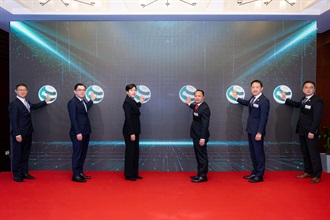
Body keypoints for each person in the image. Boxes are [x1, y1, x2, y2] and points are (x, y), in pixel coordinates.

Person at [281, 81, 323, 184]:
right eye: (306, 87)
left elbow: (317, 118)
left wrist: (312, 131)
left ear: (314, 89)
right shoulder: (304, 99)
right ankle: (308, 171)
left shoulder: (317, 101)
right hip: (302, 131)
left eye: (311, 87)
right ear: (303, 89)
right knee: (305, 153)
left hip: (310, 132)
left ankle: (317, 175)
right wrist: (286, 99)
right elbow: (297, 105)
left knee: (313, 154)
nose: (308, 89)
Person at [8, 83, 50, 182]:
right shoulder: (14, 104)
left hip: (28, 132)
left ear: (27, 91)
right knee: (17, 154)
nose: (22, 91)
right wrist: (17, 134)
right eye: (20, 90)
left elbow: (33, 106)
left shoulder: (26, 101)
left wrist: (45, 101)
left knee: (25, 154)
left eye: (24, 90)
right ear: (16, 91)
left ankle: (24, 172)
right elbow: (13, 120)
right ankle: (17, 175)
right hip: (19, 134)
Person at [232, 80, 270, 183]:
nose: (255, 89)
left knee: (259, 153)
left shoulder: (264, 101)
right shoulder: (253, 98)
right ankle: (255, 172)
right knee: (253, 153)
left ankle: (259, 175)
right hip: (250, 130)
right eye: (253, 87)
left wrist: (259, 132)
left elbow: (263, 118)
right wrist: (237, 98)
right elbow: (247, 103)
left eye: (257, 87)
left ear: (261, 88)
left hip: (257, 132)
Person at [67, 83, 95, 183]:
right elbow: (73, 119)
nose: (82, 91)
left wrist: (91, 100)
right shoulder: (72, 102)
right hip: (77, 133)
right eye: (79, 90)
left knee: (83, 154)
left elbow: (85, 109)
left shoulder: (82, 101)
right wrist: (78, 132)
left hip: (86, 131)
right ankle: (75, 175)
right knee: (77, 154)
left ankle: (80, 172)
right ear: (75, 91)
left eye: (83, 90)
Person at [185, 89, 211, 183]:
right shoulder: (197, 106)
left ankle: (203, 176)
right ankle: (200, 173)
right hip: (196, 135)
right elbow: (195, 108)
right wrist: (188, 103)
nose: (197, 97)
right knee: (198, 155)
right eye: (195, 96)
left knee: (202, 156)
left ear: (203, 97)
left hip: (201, 137)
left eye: (199, 96)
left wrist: (203, 138)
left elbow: (205, 125)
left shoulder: (205, 108)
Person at [122, 84, 144, 181]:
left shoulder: (132, 100)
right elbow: (128, 118)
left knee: (135, 152)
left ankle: (134, 173)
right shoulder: (127, 102)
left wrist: (140, 102)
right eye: (131, 90)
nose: (134, 92)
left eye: (135, 90)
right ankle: (129, 174)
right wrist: (131, 133)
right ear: (127, 92)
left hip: (135, 130)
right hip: (130, 131)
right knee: (130, 152)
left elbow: (135, 108)